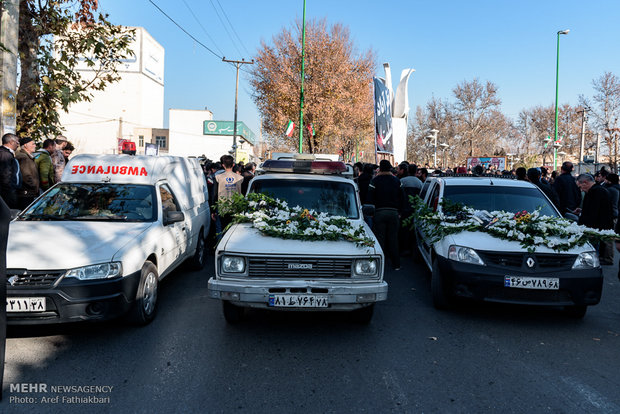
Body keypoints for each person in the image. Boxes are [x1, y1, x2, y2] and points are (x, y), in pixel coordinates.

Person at [367, 159, 404, 270]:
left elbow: (369, 197)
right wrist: (400, 212)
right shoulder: (397, 181)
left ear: (380, 168)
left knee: (380, 239)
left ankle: (379, 266)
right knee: (393, 239)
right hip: (393, 213)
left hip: (379, 212)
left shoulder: (375, 181)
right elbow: (402, 197)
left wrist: (371, 213)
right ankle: (396, 264)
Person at [576, 173, 614, 264]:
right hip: (603, 222)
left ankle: (606, 258)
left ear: (585, 182)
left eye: (580, 187)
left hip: (600, 223)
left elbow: (593, 210)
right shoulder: (599, 190)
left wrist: (586, 224)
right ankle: (605, 258)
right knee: (605, 241)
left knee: (605, 242)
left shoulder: (595, 192)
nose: (581, 190)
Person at [214, 155, 243, 236]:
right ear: (233, 164)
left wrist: (213, 210)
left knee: (221, 230)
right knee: (234, 231)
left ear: (223, 165)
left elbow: (215, 194)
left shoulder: (218, 177)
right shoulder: (240, 178)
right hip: (236, 208)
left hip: (222, 208)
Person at [14, 137, 40, 210]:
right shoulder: (23, 157)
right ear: (25, 145)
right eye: (33, 144)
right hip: (26, 193)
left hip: (28, 192)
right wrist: (34, 187)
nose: (35, 146)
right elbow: (26, 175)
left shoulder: (27, 157)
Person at [0, 133, 20, 208]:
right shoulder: (5, 154)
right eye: (17, 142)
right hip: (7, 192)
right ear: (11, 142)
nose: (18, 145)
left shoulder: (6, 153)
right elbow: (5, 174)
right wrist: (10, 189)